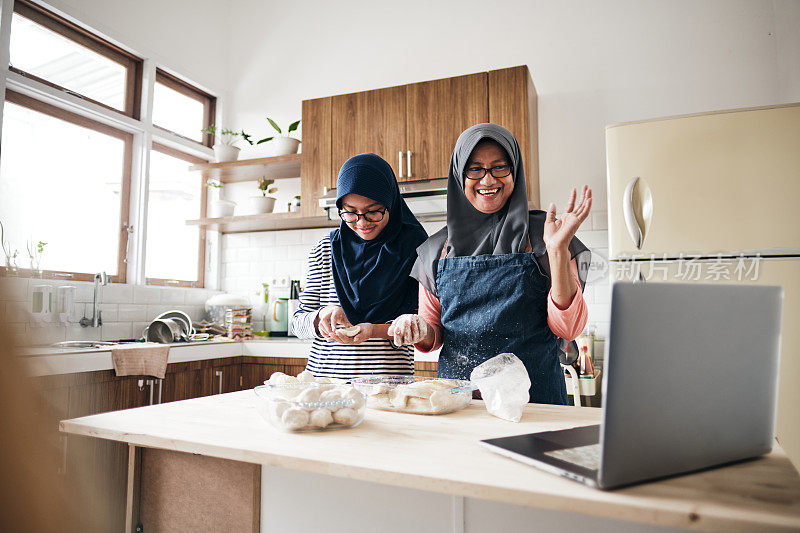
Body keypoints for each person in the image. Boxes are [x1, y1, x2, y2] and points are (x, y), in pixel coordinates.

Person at [388, 123, 591, 405]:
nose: (487, 180)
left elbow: (569, 330)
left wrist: (557, 251)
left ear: (515, 171)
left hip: (534, 404)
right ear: (460, 174)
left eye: (499, 167)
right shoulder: (436, 249)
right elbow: (431, 336)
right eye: (475, 169)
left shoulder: (547, 234)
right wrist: (418, 328)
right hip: (461, 405)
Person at [291, 153, 428, 379]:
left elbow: (421, 327)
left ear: (391, 204)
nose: (362, 222)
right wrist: (321, 317)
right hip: (325, 387)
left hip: (387, 388)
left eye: (373, 211)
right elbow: (297, 322)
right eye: (350, 212)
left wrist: (374, 330)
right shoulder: (326, 249)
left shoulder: (416, 249)